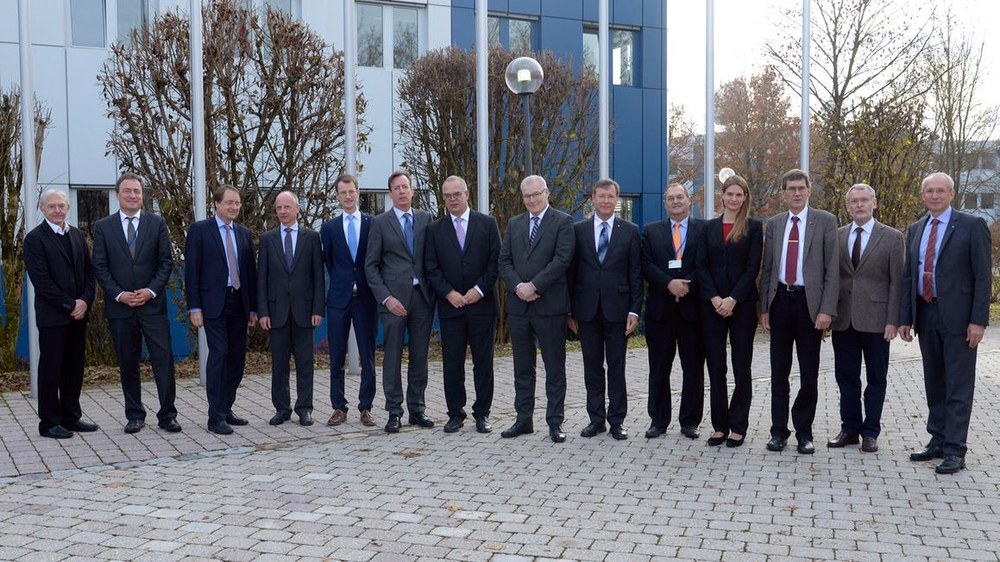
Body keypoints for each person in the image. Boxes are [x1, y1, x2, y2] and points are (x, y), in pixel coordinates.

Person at [899, 172, 991, 474]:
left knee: (958, 385)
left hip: (960, 319)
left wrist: (978, 321)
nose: (935, 196)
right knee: (934, 382)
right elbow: (909, 276)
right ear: (922, 195)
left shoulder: (972, 225)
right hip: (926, 314)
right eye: (929, 191)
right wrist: (905, 318)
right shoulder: (916, 229)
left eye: (940, 190)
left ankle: (955, 449)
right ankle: (937, 439)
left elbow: (982, 277)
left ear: (952, 194)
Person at [91, 172, 179, 434]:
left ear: (142, 195)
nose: (132, 195)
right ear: (118, 194)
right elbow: (99, 265)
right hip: (121, 308)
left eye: (137, 191)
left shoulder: (157, 223)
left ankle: (168, 415)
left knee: (163, 360)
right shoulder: (103, 227)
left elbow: (166, 262)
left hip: (152, 306)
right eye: (127, 191)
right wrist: (119, 294)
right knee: (128, 363)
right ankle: (134, 415)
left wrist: (150, 291)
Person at [759, 168, 838, 455]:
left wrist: (826, 309)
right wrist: (764, 308)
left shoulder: (825, 221)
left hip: (810, 306)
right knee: (778, 372)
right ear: (783, 194)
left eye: (801, 188)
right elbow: (768, 268)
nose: (796, 193)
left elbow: (832, 269)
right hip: (780, 301)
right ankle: (778, 432)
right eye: (791, 188)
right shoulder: (775, 224)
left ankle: (804, 432)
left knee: (809, 373)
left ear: (808, 191)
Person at [498, 175, 576, 443]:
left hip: (550, 306)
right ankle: (524, 420)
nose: (531, 200)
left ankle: (555, 422)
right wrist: (519, 286)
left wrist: (535, 286)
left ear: (546, 192)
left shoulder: (563, 222)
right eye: (527, 196)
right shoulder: (515, 223)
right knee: (522, 368)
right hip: (520, 307)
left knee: (554, 368)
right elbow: (504, 261)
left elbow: (562, 260)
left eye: (536, 194)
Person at [829, 183, 904, 454]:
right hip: (843, 319)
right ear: (847, 206)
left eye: (864, 200)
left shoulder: (892, 237)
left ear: (874, 203)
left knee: (876, 378)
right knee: (846, 377)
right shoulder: (836, 236)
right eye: (854, 201)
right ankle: (849, 428)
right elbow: (831, 278)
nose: (859, 205)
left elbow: (897, 282)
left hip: (877, 320)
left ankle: (870, 432)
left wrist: (893, 319)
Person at [424, 175, 501, 434]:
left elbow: (495, 262)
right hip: (451, 307)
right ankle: (455, 414)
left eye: (457, 194)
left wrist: (479, 290)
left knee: (483, 363)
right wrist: (448, 293)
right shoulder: (435, 229)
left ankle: (482, 414)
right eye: (447, 196)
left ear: (467, 194)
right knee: (452, 363)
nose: (453, 199)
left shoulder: (487, 224)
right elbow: (431, 267)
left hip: (482, 306)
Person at [569, 178, 642, 441]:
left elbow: (635, 274)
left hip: (618, 311)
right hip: (587, 311)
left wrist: (634, 310)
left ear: (617, 199)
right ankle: (596, 420)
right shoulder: (578, 230)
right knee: (592, 367)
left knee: (617, 367)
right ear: (593, 198)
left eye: (611, 196)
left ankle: (617, 421)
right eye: (601, 196)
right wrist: (570, 312)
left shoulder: (630, 230)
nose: (606, 201)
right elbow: (571, 273)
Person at [23, 189, 98, 439]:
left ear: (68, 208)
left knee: (74, 369)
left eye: (61, 206)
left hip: (79, 315)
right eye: (52, 206)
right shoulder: (35, 239)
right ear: (42, 209)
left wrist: (85, 301)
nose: (57, 210)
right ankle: (49, 423)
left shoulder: (76, 234)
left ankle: (70, 417)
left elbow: (89, 272)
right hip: (53, 317)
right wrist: (70, 305)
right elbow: (41, 281)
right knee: (51, 369)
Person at [365, 170, 436, 433]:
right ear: (390, 193)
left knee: (420, 357)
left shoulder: (426, 218)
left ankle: (417, 409)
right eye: (397, 188)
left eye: (406, 187)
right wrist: (386, 298)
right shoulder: (380, 223)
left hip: (422, 298)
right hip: (393, 302)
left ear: (412, 190)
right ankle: (394, 411)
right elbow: (371, 266)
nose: (402, 191)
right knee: (392, 357)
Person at [185, 185, 258, 435]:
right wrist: (194, 307)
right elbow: (192, 272)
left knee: (237, 358)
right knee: (220, 354)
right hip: (212, 304)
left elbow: (249, 274)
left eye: (237, 203)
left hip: (239, 303)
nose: (234, 207)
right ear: (216, 204)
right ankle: (214, 416)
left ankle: (226, 408)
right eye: (229, 203)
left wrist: (253, 308)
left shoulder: (244, 233)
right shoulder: (200, 231)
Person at [696, 174, 762, 448]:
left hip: (742, 306)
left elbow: (753, 267)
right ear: (722, 196)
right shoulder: (708, 228)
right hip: (712, 306)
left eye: (739, 194)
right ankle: (720, 426)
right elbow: (701, 265)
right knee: (716, 367)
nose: (734, 198)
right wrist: (714, 298)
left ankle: (738, 426)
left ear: (745, 198)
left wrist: (733, 298)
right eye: (729, 194)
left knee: (741, 366)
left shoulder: (754, 228)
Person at [642, 183, 705, 440]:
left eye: (680, 197)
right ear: (665, 203)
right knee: (658, 368)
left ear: (689, 200)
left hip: (693, 311)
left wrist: (687, 284)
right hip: (660, 312)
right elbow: (646, 265)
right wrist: (669, 283)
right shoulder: (651, 231)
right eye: (671, 198)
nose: (676, 201)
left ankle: (690, 421)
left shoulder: (703, 229)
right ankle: (658, 421)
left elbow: (707, 263)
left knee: (693, 369)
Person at [257, 191, 325, 427]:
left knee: (305, 364)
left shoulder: (311, 238)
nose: (282, 211)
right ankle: (282, 409)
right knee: (279, 365)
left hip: (304, 311)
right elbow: (262, 278)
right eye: (278, 208)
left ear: (297, 209)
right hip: (276, 313)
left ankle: (304, 409)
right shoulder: (267, 239)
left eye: (287, 207)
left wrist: (318, 309)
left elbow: (318, 277)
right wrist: (263, 311)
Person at [321, 174, 378, 428]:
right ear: (337, 196)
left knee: (368, 356)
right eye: (342, 192)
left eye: (351, 191)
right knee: (336, 356)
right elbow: (330, 262)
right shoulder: (329, 228)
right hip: (339, 299)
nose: (347, 196)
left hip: (365, 298)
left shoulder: (371, 223)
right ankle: (339, 407)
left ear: (358, 192)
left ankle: (366, 407)